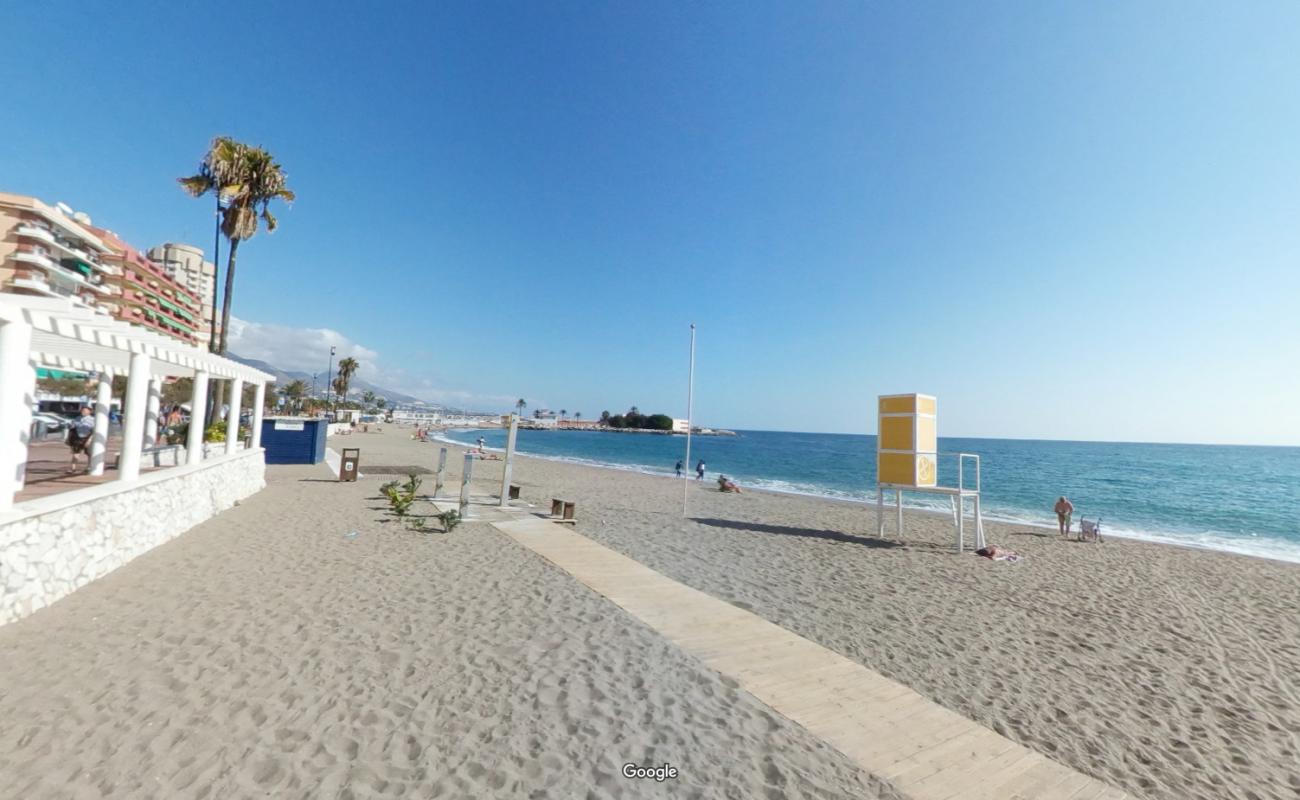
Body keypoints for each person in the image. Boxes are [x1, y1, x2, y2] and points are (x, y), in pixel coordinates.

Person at [67, 406, 95, 472]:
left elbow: (94, 431)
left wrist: (90, 439)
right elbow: (72, 428)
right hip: (78, 437)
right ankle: (73, 468)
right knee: (75, 453)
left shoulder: (93, 419)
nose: (83, 412)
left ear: (89, 412)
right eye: (82, 410)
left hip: (88, 437)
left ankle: (89, 467)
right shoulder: (77, 418)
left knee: (89, 453)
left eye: (85, 411)